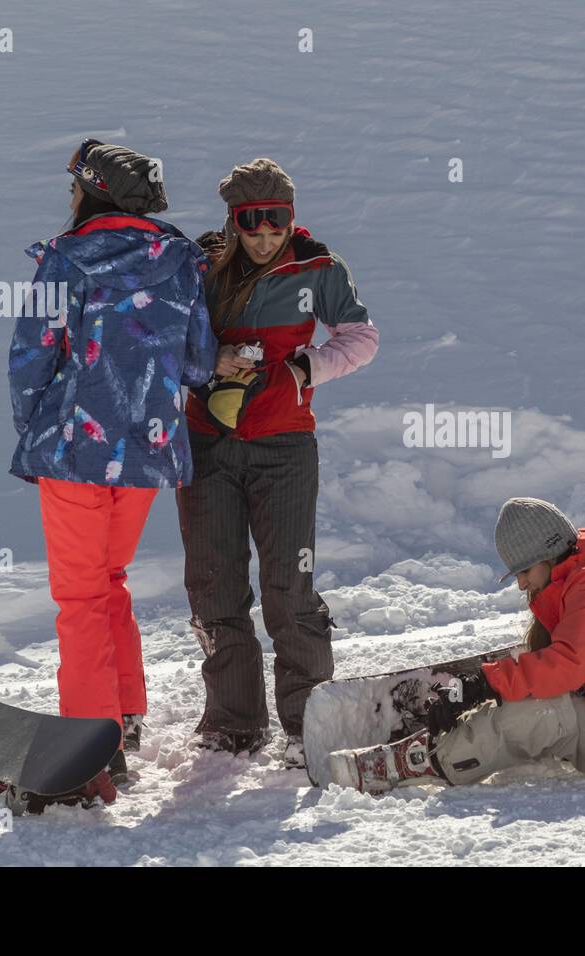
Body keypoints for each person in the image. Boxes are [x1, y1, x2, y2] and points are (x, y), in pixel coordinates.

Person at [8, 140, 217, 787]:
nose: (68, 199)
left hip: (75, 449)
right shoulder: (181, 260)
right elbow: (199, 364)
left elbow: (31, 357)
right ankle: (123, 715)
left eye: (74, 187)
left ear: (94, 191)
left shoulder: (68, 259)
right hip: (148, 453)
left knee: (78, 598)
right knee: (109, 581)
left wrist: (39, 430)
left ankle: (90, 753)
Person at [178, 158, 379, 768]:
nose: (265, 238)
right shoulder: (200, 267)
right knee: (214, 583)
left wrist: (305, 366)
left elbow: (361, 337)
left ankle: (308, 721)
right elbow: (168, 343)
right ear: (233, 221)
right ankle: (233, 724)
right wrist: (213, 360)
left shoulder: (318, 267)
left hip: (286, 447)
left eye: (276, 225)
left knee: (289, 585)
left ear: (292, 217)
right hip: (207, 443)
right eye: (251, 226)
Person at [327, 498, 585, 793]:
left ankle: (418, 762)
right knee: (529, 687)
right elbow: (576, 650)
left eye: (524, 571)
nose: (521, 583)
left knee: (537, 715)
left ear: (549, 555)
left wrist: (485, 683)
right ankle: (467, 729)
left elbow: (569, 664)